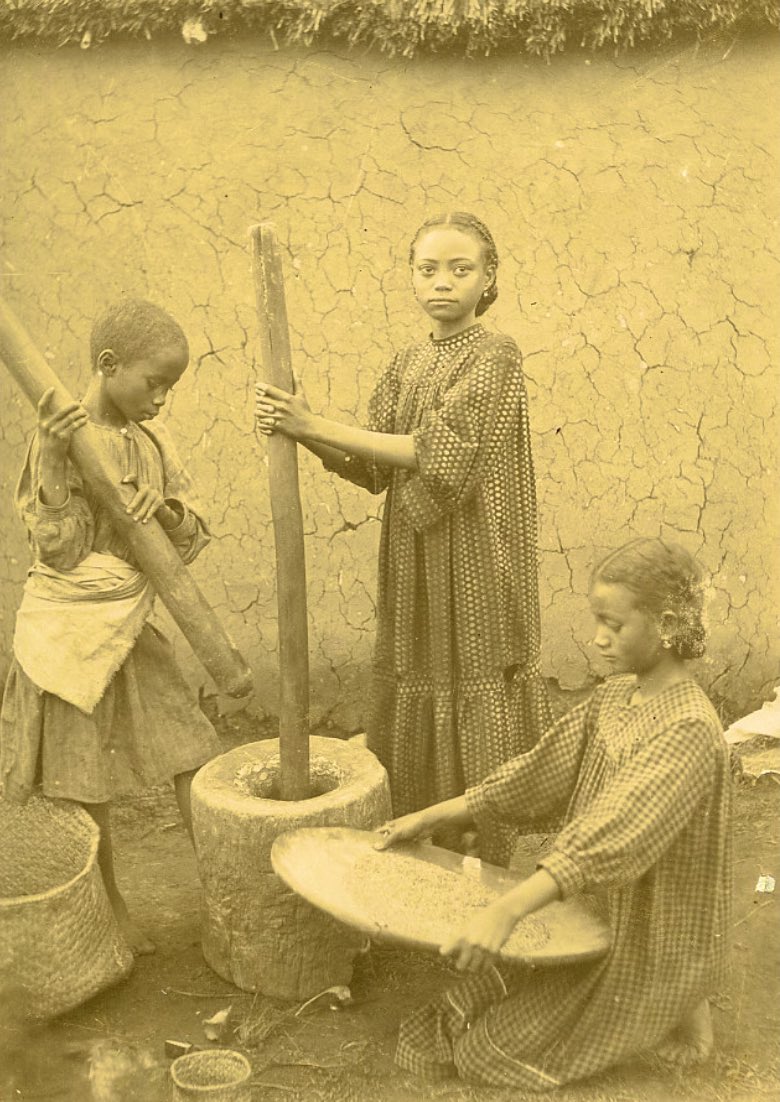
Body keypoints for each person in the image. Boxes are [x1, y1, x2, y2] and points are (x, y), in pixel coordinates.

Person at [376, 538, 732, 1089]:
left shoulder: (687, 730)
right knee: (447, 1021)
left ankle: (677, 1000)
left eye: (613, 624)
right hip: (590, 911)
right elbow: (533, 774)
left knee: (484, 1053)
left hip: (648, 940)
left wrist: (506, 911)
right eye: (597, 621)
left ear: (665, 625)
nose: (598, 637)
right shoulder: (615, 697)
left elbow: (609, 836)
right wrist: (429, 817)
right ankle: (667, 1003)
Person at [255, 211, 551, 864]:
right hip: (416, 562)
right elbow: (370, 467)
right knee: (420, 676)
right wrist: (299, 424)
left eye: (461, 269)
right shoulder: (406, 363)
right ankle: (429, 845)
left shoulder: (496, 355)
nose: (442, 282)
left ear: (489, 277)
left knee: (475, 680)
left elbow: (436, 451)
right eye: (428, 269)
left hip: (478, 554)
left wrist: (312, 425)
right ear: (411, 277)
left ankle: (484, 854)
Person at [0, 298, 222, 955]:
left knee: (192, 750)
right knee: (84, 781)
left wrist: (167, 512)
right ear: (108, 365)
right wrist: (50, 460)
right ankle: (110, 910)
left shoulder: (151, 443)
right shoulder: (58, 440)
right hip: (67, 636)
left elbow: (190, 539)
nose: (161, 399)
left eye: (170, 387)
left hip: (128, 624)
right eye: (154, 383)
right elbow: (59, 549)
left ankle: (224, 891)